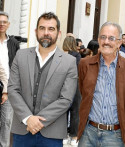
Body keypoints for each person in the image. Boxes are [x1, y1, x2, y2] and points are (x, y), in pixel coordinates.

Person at [8, 12, 78, 147]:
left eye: (51, 29)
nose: (46, 33)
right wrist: (28, 118)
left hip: (52, 133)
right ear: (36, 31)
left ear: (59, 33)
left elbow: (66, 99)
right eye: (42, 28)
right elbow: (13, 89)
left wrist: (38, 122)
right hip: (22, 130)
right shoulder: (20, 55)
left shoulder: (69, 62)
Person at [77, 22, 125, 147]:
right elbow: (84, 92)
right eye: (103, 37)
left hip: (115, 136)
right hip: (88, 133)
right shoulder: (85, 64)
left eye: (111, 38)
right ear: (98, 40)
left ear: (119, 43)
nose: (106, 41)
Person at [0, 11, 20, 147]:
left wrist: (8, 90)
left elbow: (17, 66)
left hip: (9, 88)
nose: (1, 24)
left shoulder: (13, 43)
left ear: (8, 24)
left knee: (7, 121)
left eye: (4, 22)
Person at [62, 35, 81, 146]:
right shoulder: (76, 55)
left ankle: (63, 135)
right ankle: (74, 137)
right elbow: (77, 69)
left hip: (62, 84)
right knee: (75, 111)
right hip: (75, 84)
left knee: (63, 110)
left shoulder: (59, 54)